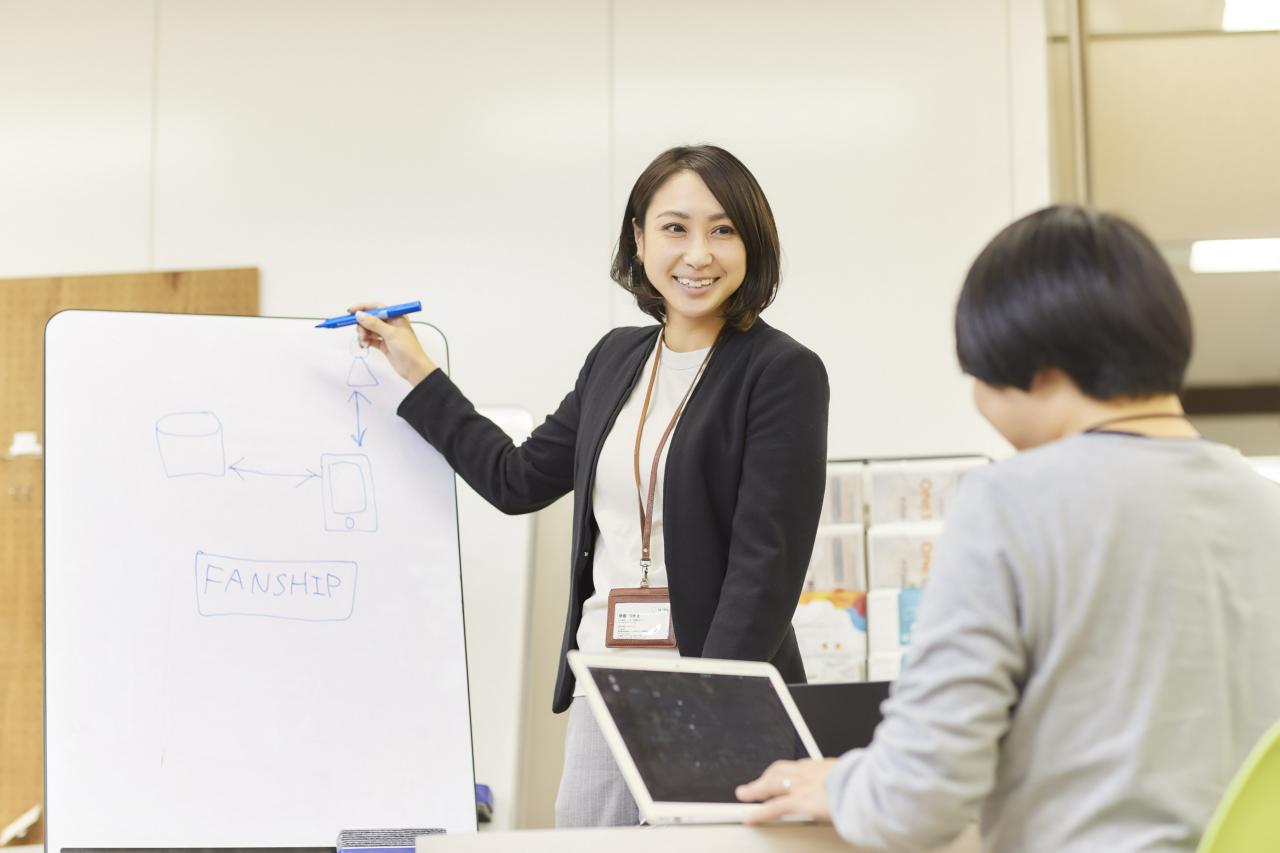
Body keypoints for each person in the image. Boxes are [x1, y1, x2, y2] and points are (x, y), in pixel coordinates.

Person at [737, 205, 1280, 852]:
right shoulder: (1265, 504)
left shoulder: (1014, 501)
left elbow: (917, 798)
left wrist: (841, 782)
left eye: (978, 375)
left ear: (1035, 366)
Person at [351, 145, 830, 827]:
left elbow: (766, 568)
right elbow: (516, 479)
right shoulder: (615, 358)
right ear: (639, 238)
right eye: (674, 227)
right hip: (605, 680)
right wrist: (418, 371)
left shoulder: (782, 371)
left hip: (719, 686)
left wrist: (708, 707)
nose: (698, 254)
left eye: (723, 230)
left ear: (752, 242)